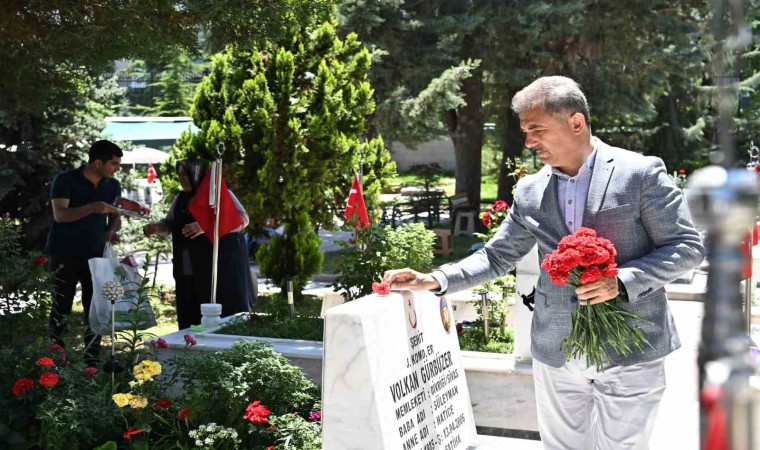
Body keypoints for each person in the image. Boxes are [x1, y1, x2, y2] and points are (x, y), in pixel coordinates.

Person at [384, 76, 706, 449]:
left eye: (536, 129)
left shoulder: (640, 174)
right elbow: (497, 255)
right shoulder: (530, 190)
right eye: (525, 131)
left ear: (576, 122)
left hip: (631, 349)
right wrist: (436, 279)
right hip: (557, 349)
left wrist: (621, 281)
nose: (529, 141)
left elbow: (686, 247)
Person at [143, 159, 253, 330]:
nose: (183, 179)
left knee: (223, 308)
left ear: (197, 175)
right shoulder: (181, 198)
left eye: (186, 175)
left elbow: (241, 219)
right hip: (189, 265)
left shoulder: (218, 194)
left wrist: (205, 226)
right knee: (191, 308)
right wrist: (157, 228)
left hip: (220, 265)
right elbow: (170, 223)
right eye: (180, 175)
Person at [45, 139, 123, 365]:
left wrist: (110, 230)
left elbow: (116, 216)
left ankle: (92, 360)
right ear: (98, 162)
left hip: (96, 255)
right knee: (61, 307)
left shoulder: (112, 185)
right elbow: (60, 215)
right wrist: (92, 208)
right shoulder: (65, 180)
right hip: (64, 253)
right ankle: (56, 359)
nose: (117, 168)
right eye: (114, 164)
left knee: (95, 307)